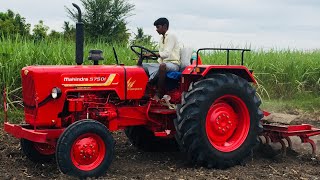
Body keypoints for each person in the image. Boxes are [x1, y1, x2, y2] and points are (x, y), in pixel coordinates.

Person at [143, 17, 181, 100]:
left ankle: (159, 93)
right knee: (142, 66)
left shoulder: (171, 36)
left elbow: (166, 54)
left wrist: (151, 55)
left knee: (162, 66)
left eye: (158, 27)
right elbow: (161, 56)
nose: (156, 29)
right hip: (163, 63)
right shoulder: (161, 38)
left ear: (164, 26)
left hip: (173, 64)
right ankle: (145, 90)